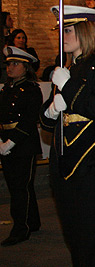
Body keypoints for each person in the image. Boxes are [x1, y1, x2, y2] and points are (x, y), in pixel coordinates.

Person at [40, 5, 95, 266]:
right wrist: (52, 111)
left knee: (94, 234)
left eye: (67, 30)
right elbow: (45, 118)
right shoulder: (66, 67)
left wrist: (68, 86)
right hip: (64, 159)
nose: (62, 36)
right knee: (74, 234)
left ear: (85, 31)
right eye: (60, 31)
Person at [0, 47, 42, 247]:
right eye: (8, 64)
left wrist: (11, 142)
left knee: (20, 187)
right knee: (19, 185)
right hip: (5, 141)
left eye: (15, 64)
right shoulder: (7, 89)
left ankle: (20, 229)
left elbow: (28, 119)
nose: (10, 68)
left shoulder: (32, 90)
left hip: (23, 143)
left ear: (25, 68)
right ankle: (32, 221)